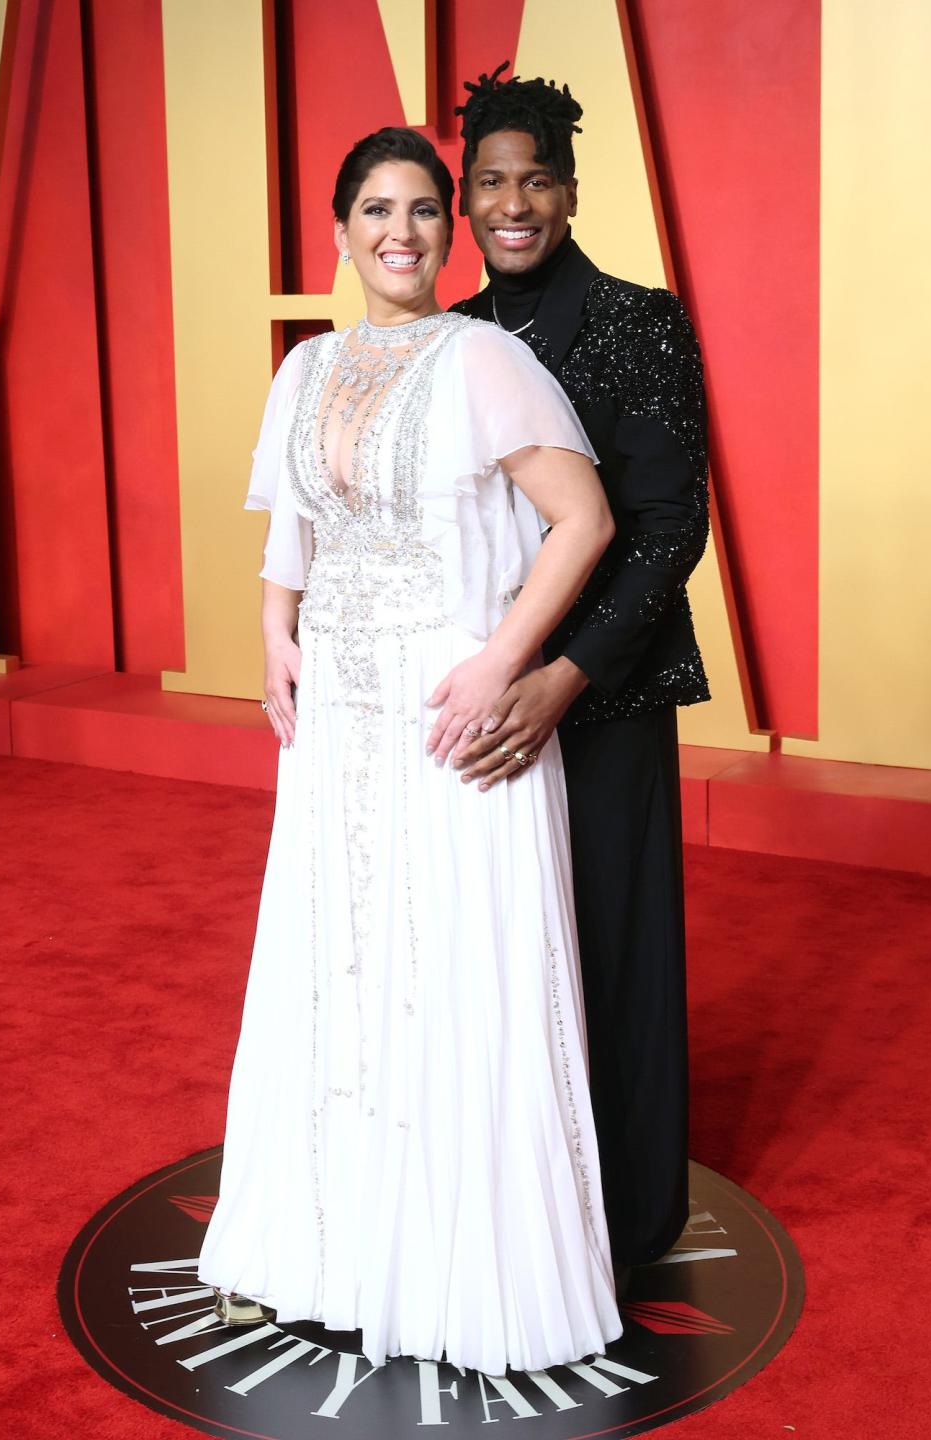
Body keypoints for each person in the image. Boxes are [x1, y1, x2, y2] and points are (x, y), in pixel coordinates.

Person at [198, 126, 623, 1376]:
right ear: (340, 232)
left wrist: (504, 661)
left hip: (449, 707)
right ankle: (331, 1252)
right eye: (378, 209)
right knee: (340, 961)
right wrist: (274, 632)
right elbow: (292, 537)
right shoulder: (305, 371)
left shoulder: (486, 356)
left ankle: (454, 1277)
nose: (403, 229)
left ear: (448, 233)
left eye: (426, 209)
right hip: (336, 713)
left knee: (449, 965)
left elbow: (584, 519)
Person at [449, 65, 710, 1277]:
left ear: (569, 190)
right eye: (491, 183)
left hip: (599, 694)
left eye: (536, 180)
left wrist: (565, 677)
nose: (515, 204)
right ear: (465, 199)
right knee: (500, 949)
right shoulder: (444, 336)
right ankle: (512, 1192)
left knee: (612, 943)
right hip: (480, 698)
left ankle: (628, 1212)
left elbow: (668, 526)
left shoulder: (636, 318)